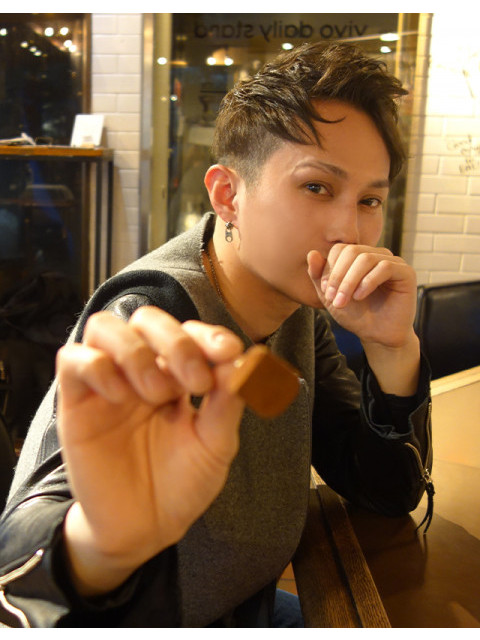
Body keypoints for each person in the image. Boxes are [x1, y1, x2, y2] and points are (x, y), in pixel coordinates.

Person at [0, 42, 432, 628]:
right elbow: (18, 573)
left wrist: (392, 348)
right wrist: (99, 546)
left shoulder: (295, 308)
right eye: (316, 187)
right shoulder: (154, 316)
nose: (348, 229)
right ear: (228, 194)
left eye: (370, 199)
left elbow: (384, 489)